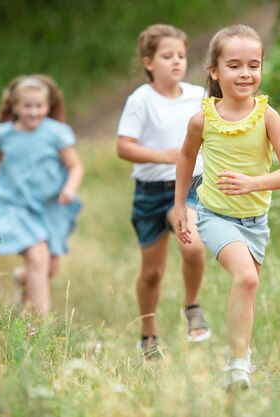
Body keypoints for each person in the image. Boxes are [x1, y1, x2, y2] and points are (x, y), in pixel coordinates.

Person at [174, 24, 280, 390]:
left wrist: (254, 183)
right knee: (244, 277)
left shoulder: (267, 116)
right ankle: (238, 366)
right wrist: (181, 204)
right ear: (215, 71)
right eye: (234, 65)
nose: (245, 74)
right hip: (215, 216)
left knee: (248, 287)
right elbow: (185, 158)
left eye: (253, 65)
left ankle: (237, 355)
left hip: (256, 221)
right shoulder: (202, 119)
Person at [116, 24, 212, 360]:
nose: (176, 62)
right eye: (167, 56)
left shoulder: (197, 96)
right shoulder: (140, 100)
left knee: (193, 246)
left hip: (187, 188)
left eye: (181, 56)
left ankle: (192, 307)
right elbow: (124, 147)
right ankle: (148, 336)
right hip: (150, 191)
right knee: (152, 273)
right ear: (148, 62)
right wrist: (164, 155)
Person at [0, 74, 83, 316]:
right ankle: (39, 326)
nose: (34, 112)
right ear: (15, 106)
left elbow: (76, 166)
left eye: (39, 106)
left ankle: (23, 282)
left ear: (48, 106)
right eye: (27, 106)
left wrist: (69, 188)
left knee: (49, 267)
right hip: (14, 204)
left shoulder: (57, 133)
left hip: (51, 205)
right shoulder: (2, 134)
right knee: (38, 258)